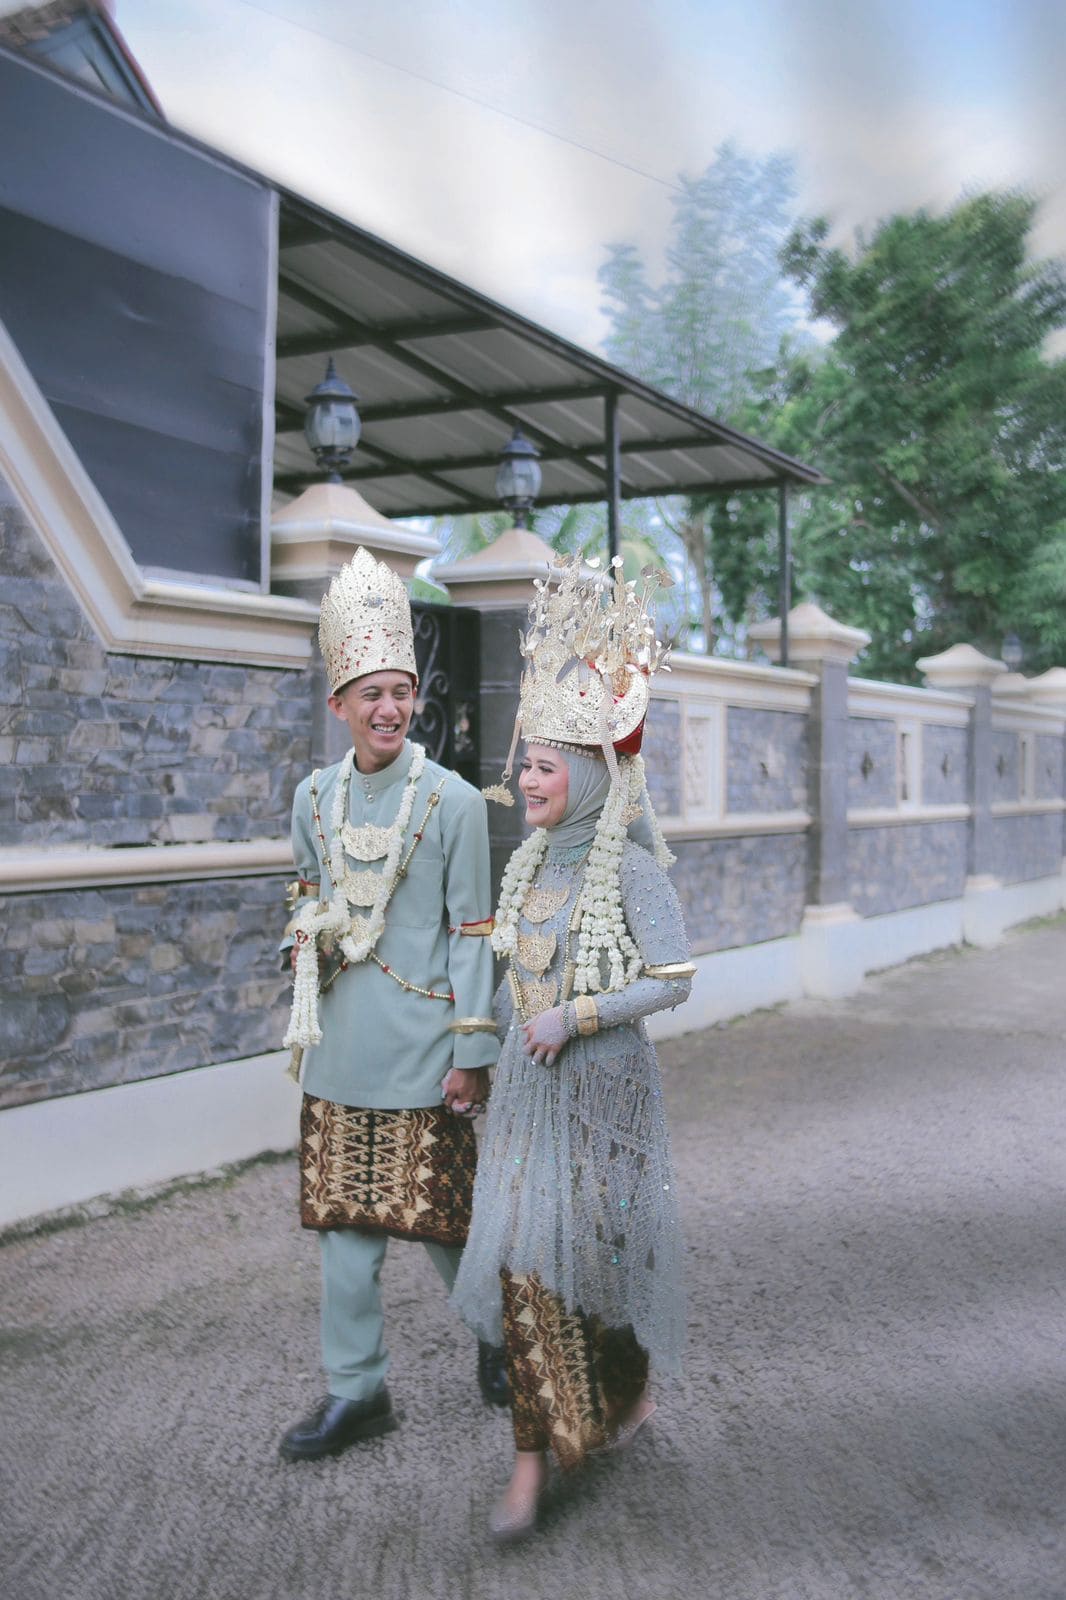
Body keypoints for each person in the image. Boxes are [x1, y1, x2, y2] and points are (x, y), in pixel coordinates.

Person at [452, 555, 694, 1538]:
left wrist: (581, 1017)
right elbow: (519, 976)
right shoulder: (525, 865)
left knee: (598, 1261)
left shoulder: (632, 872)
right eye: (527, 763)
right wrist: (485, 1053)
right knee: (525, 1266)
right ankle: (528, 1465)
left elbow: (674, 980)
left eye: (546, 765)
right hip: (524, 1096)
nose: (527, 781)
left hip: (607, 1094)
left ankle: (624, 1391)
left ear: (590, 772)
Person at [278, 546, 506, 1462]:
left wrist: (473, 1050)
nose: (388, 709)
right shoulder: (311, 798)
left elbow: (473, 932)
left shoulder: (450, 802)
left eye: (400, 691)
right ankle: (355, 1390)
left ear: (417, 699)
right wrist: (305, 935)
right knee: (343, 1228)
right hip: (339, 1046)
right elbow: (304, 898)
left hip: (424, 1048)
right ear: (338, 705)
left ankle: (498, 1330)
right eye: (369, 693)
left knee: (445, 1218)